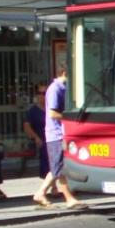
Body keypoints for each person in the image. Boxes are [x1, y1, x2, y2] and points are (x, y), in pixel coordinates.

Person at [33, 66, 85, 210]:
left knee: (58, 166)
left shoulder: (62, 88)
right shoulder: (55, 89)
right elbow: (53, 114)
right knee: (59, 167)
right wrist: (70, 119)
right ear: (64, 73)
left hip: (59, 133)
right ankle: (68, 198)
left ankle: (41, 193)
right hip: (55, 134)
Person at [22, 82, 54, 184]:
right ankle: (52, 186)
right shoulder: (33, 111)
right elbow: (27, 127)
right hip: (42, 141)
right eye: (39, 93)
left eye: (44, 93)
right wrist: (35, 137)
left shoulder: (53, 109)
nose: (42, 95)